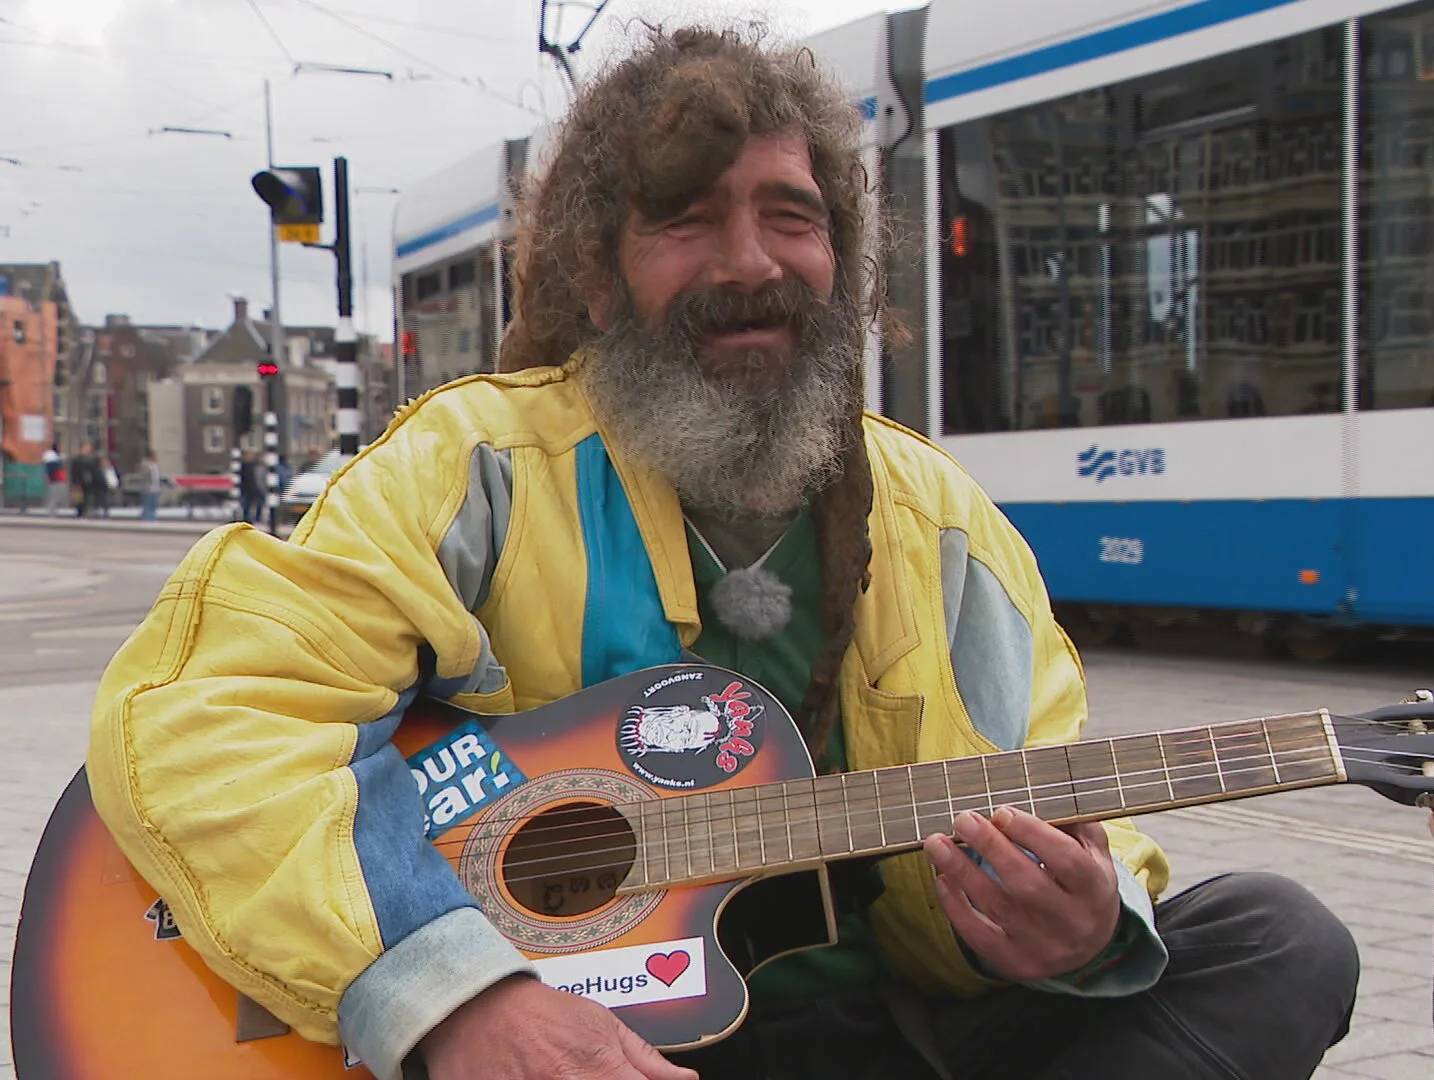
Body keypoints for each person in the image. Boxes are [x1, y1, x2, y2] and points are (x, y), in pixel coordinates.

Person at [86, 26, 1358, 1080]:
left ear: (840, 261)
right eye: (686, 221)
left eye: (790, 217)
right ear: (598, 276)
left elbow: (1050, 789)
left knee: (1274, 941)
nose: (748, 262)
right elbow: (207, 721)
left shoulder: (940, 519)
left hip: (888, 1038)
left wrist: (1081, 922)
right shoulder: (471, 468)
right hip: (587, 1043)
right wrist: (451, 996)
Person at [238, 450, 265, 525]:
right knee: (248, 505)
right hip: (249, 489)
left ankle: (252, 518)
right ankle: (249, 518)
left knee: (252, 504)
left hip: (252, 489)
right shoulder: (248, 466)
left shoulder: (252, 466)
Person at [40, 442, 64, 516]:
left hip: (52, 479)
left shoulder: (48, 456)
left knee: (52, 495)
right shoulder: (54, 457)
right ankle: (52, 511)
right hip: (55, 478)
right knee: (54, 495)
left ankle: (51, 510)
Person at [139, 450, 164, 521]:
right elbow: (144, 477)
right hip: (148, 489)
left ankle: (152, 518)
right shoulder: (146, 465)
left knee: (154, 505)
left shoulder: (156, 465)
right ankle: (146, 519)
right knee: (147, 505)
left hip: (156, 488)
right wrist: (147, 487)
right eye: (154, 456)